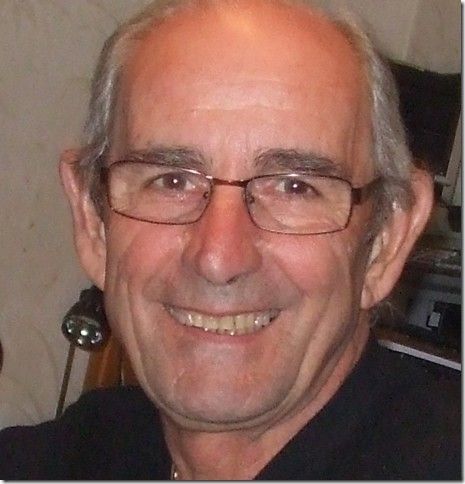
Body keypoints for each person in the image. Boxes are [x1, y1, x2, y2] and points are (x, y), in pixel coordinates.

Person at [0, 0, 460, 479]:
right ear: (94, 222)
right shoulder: (63, 456)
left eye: (294, 187)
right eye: (171, 181)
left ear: (386, 239)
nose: (218, 258)